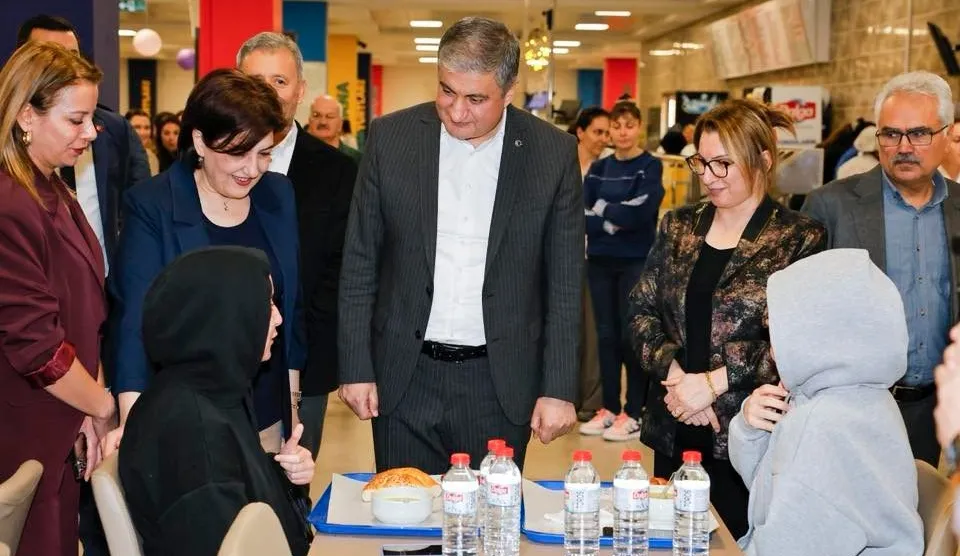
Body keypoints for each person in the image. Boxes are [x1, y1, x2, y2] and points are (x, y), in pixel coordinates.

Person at [338, 16, 581, 474]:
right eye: (447, 91)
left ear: (509, 92)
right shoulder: (391, 138)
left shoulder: (552, 153)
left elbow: (565, 281)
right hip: (404, 376)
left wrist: (559, 387)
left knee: (489, 517)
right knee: (404, 512)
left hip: (499, 382)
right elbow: (360, 260)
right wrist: (355, 366)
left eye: (476, 99)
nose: (456, 111)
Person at [630, 98, 826, 538]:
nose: (708, 176)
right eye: (701, 162)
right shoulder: (679, 226)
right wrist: (680, 381)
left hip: (749, 432)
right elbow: (641, 312)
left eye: (723, 164)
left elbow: (798, 342)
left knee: (736, 540)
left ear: (763, 161)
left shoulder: (799, 237)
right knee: (671, 537)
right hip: (675, 420)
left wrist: (712, 384)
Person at [105, 69, 305, 457]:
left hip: (267, 412)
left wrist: (293, 416)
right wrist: (133, 421)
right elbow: (133, 323)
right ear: (200, 140)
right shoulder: (153, 205)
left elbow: (291, 309)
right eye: (238, 153)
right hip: (188, 422)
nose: (252, 169)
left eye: (264, 153)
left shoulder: (277, 195)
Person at [802, 71, 960, 467]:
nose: (903, 147)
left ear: (946, 135)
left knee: (922, 503)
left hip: (932, 410)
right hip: (850, 408)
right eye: (890, 134)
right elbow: (801, 315)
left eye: (919, 133)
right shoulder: (831, 207)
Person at [119, 247, 314, 556]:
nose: (278, 318)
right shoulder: (192, 433)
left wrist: (283, 472)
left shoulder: (213, 390)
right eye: (266, 304)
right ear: (226, 316)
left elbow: (242, 489)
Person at [0, 42, 116, 556]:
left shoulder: (52, 189)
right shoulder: (10, 204)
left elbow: (84, 316)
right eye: (76, 120)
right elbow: (36, 348)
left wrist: (87, 403)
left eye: (91, 119)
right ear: (27, 115)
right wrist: (102, 406)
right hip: (25, 430)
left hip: (61, 416)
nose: (90, 133)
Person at [729, 249, 923, 555]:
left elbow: (784, 547)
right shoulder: (864, 397)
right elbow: (772, 493)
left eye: (780, 330)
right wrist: (749, 429)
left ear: (818, 333)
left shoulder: (820, 425)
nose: (772, 347)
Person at [237, 32, 358, 459]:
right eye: (255, 81)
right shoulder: (207, 162)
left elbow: (341, 272)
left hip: (305, 365)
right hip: (221, 358)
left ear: (300, 90)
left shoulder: (339, 173)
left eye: (280, 82)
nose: (267, 94)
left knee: (293, 480)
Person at [16, 15, 152, 274]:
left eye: (73, 57)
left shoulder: (114, 129)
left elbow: (137, 202)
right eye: (52, 58)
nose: (67, 69)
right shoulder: (12, 192)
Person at [580, 101, 663, 442]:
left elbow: (640, 213)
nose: (622, 132)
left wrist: (603, 210)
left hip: (634, 261)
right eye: (616, 126)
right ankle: (610, 408)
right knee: (606, 336)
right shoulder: (599, 168)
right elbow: (582, 212)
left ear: (639, 127)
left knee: (632, 336)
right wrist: (612, 220)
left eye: (629, 125)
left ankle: (634, 411)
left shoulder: (649, 166)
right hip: (600, 260)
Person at [567, 107, 608, 422]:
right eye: (598, 132)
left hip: (595, 257)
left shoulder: (606, 169)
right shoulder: (562, 163)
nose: (603, 139)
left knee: (592, 332)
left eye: (606, 132)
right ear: (580, 132)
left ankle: (591, 399)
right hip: (563, 256)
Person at [307, 94, 362, 163]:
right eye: (317, 115)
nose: (323, 122)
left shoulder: (357, 160)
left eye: (329, 116)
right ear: (309, 121)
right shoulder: (297, 156)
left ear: (340, 124)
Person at [125, 109, 160, 175]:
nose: (143, 133)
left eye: (147, 128)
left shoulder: (152, 157)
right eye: (137, 127)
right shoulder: (115, 157)